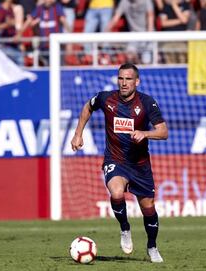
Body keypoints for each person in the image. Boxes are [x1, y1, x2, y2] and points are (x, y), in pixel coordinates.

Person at [71, 63, 168, 263]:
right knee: (116, 192)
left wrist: (145, 133)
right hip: (115, 159)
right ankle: (125, 229)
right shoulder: (106, 98)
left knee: (148, 208)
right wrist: (78, 133)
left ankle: (152, 246)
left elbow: (163, 131)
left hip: (140, 164)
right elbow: (88, 107)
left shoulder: (147, 103)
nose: (124, 83)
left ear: (137, 81)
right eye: (121, 79)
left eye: (128, 79)